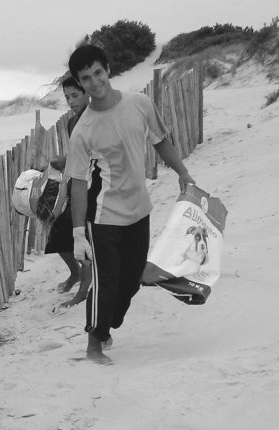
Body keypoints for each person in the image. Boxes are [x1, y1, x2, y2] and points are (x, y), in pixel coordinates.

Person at [65, 45, 195, 364]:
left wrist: (182, 172)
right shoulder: (83, 130)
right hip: (104, 216)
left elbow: (161, 141)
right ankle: (94, 345)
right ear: (80, 83)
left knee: (133, 277)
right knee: (107, 280)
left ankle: (106, 325)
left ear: (108, 69)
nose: (95, 82)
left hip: (139, 210)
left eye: (98, 72)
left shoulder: (139, 104)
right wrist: (79, 233)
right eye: (86, 78)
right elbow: (78, 183)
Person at [46, 76, 92, 308]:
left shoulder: (96, 119)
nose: (71, 101)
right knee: (58, 234)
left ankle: (83, 290)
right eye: (67, 97)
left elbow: (91, 153)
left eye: (75, 95)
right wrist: (63, 161)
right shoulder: (72, 122)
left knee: (83, 239)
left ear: (87, 93)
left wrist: (66, 160)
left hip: (92, 185)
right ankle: (75, 274)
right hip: (74, 183)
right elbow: (76, 153)